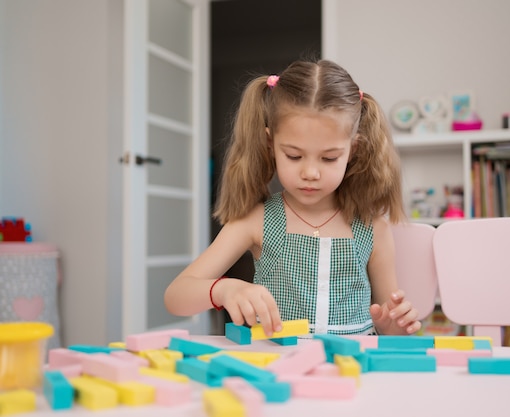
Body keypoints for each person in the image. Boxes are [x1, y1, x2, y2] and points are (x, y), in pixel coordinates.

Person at [164, 59, 421, 337]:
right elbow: (176, 296)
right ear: (270, 144)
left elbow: (390, 325)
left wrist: (393, 326)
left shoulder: (373, 228)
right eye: (294, 156)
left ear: (353, 150)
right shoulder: (257, 221)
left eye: (329, 158)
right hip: (277, 372)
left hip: (354, 375)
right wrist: (225, 289)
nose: (310, 172)